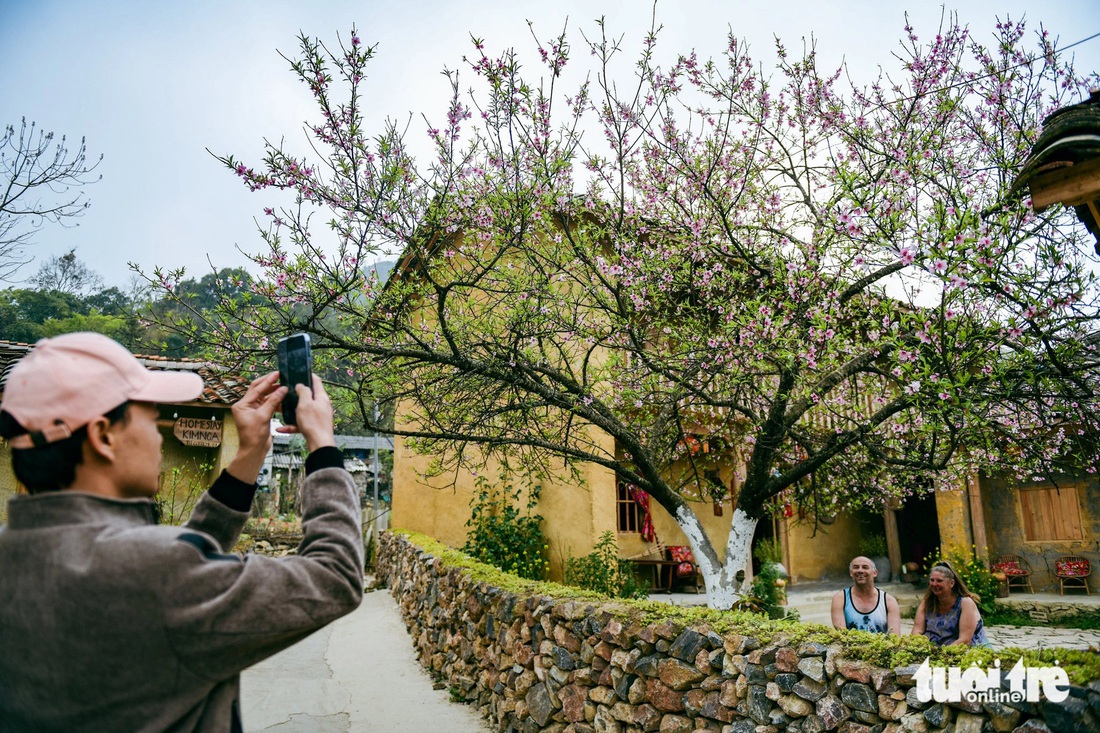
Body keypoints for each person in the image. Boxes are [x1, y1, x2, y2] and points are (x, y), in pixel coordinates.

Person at [0, 332, 363, 731]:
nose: (158, 437)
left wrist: (246, 458)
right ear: (104, 436)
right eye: (151, 417)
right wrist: (323, 446)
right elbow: (334, 577)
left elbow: (179, 562)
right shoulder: (157, 572)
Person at [911, 561, 988, 646]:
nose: (934, 584)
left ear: (951, 583)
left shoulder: (965, 603)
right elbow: (917, 630)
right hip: (935, 649)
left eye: (939, 581)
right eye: (932, 580)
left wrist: (942, 654)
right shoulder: (927, 601)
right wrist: (916, 645)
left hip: (964, 650)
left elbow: (965, 639)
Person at [831, 555, 902, 634]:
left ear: (875, 573)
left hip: (882, 646)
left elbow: (895, 637)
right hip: (850, 645)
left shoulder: (889, 601)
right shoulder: (841, 599)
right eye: (856, 567)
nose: (860, 570)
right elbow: (841, 636)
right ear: (851, 573)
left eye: (865, 567)